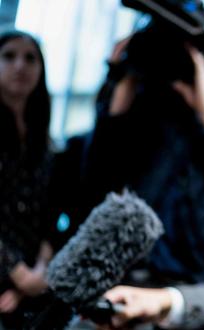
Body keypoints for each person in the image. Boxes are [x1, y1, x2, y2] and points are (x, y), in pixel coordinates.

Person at [88, 3, 204, 329]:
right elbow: (99, 171)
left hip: (200, 282)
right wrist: (126, 78)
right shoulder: (168, 95)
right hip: (134, 268)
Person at [0, 30, 55, 328]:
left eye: (30, 58)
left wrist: (39, 271)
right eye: (9, 56)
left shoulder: (45, 142)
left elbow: (52, 212)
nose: (20, 65)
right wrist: (17, 273)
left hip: (35, 278)